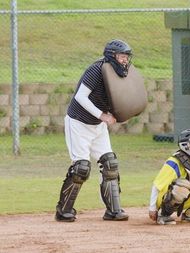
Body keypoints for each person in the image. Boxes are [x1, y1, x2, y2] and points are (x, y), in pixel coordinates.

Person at [55, 39, 133, 222]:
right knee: (81, 168)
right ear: (112, 56)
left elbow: (117, 98)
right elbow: (80, 97)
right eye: (122, 56)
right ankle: (63, 211)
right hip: (79, 123)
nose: (125, 61)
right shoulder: (97, 69)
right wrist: (102, 116)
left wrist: (121, 114)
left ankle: (113, 211)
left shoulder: (120, 72)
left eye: (127, 57)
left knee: (110, 163)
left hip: (98, 125)